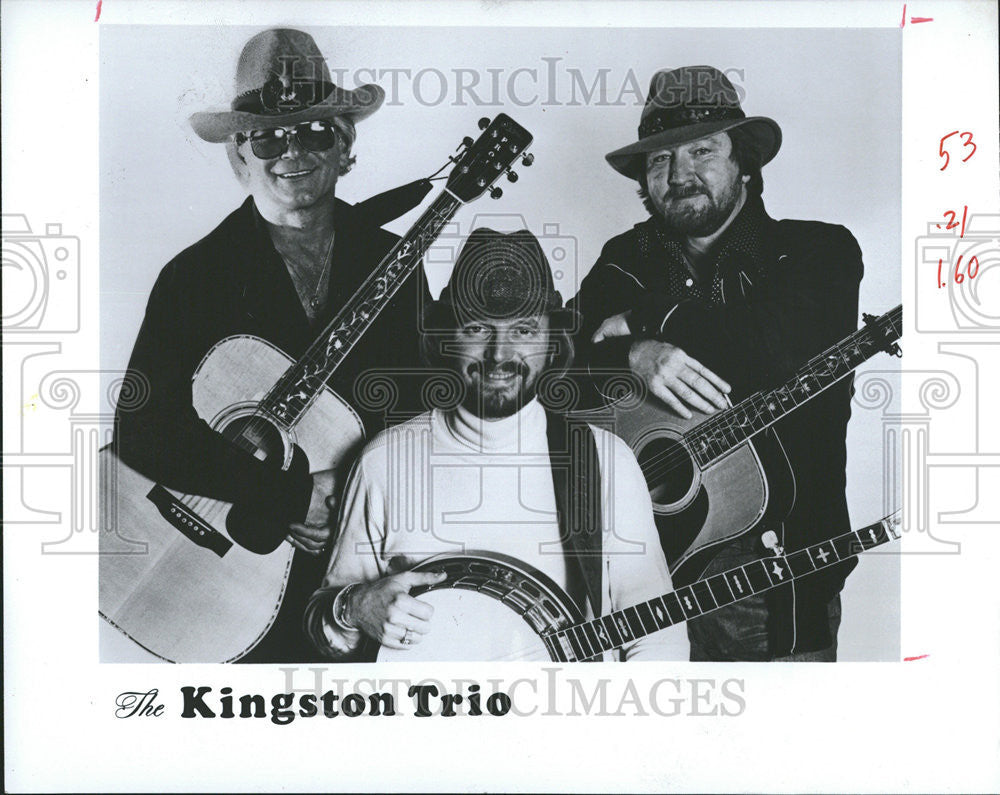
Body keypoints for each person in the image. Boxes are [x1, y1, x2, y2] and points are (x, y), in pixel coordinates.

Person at [113, 29, 431, 662]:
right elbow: (142, 428)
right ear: (240, 154)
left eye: (314, 131)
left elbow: (420, 407)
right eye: (268, 135)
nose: (293, 152)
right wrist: (283, 495)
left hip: (354, 570)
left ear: (346, 145)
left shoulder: (395, 261)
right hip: (227, 578)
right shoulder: (194, 275)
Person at [569, 66, 864, 661]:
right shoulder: (624, 258)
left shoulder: (817, 251)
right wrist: (634, 353)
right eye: (659, 161)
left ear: (745, 162)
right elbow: (559, 370)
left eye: (701, 150)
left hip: (771, 582)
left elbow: (779, 351)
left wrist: (650, 317)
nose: (679, 175)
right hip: (633, 580)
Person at [305, 228, 689, 661]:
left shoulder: (602, 460)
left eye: (524, 330)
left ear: (551, 341)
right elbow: (327, 630)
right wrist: (353, 606)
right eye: (476, 327)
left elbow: (659, 636)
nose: (499, 353)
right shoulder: (385, 460)